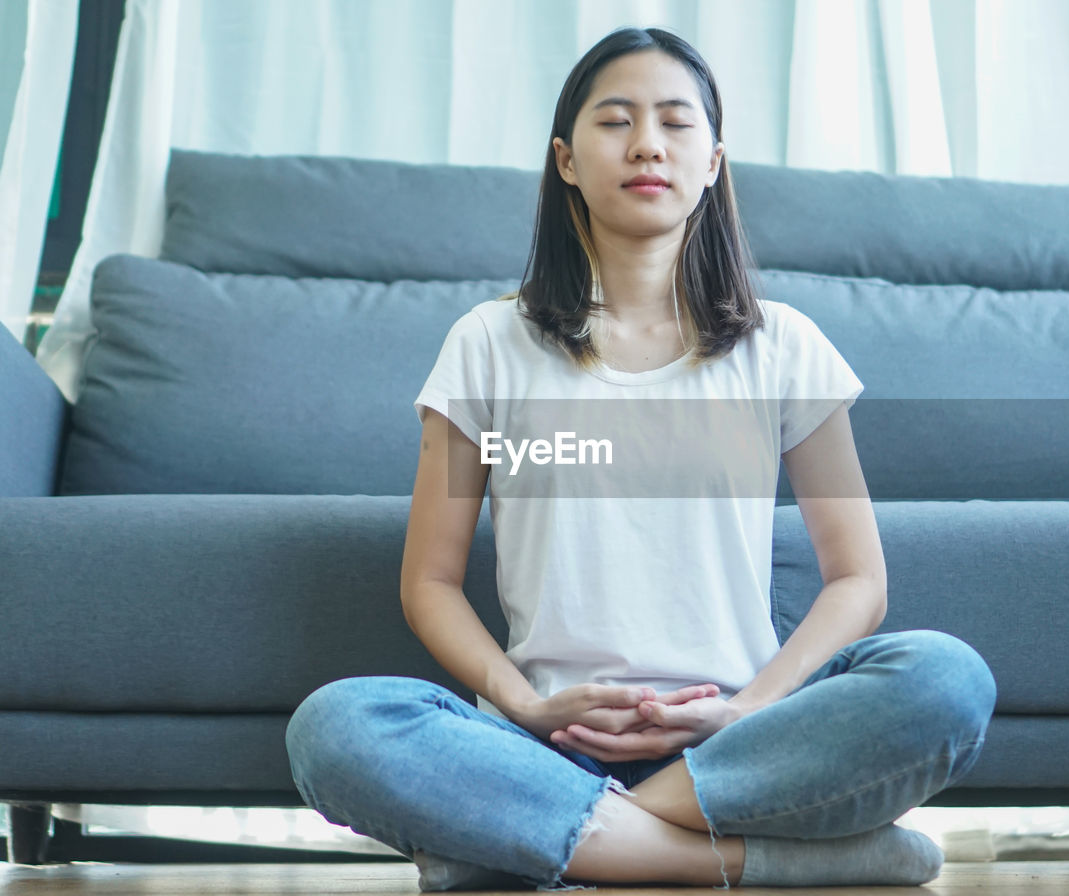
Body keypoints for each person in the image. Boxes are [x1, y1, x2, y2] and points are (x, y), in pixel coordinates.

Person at [285, 26, 996, 891]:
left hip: (739, 744)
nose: (648, 144)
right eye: (615, 121)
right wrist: (528, 705)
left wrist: (748, 709)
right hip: (538, 742)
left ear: (714, 163)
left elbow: (859, 582)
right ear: (568, 161)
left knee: (945, 678)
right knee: (336, 726)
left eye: (675, 123)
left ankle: (545, 843)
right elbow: (428, 580)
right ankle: (753, 863)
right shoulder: (486, 343)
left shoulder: (784, 348)